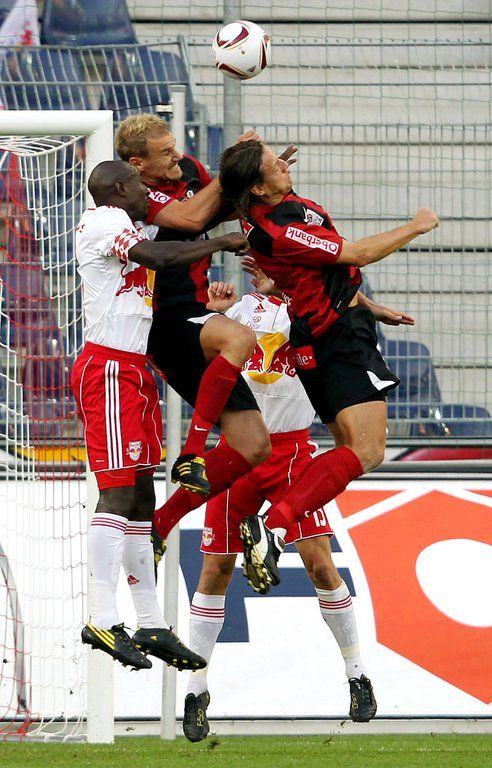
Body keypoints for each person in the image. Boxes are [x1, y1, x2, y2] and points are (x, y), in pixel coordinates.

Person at [180, 266, 415, 741]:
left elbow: (345, 293)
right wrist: (211, 314)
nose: (257, 269)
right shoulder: (236, 314)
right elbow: (187, 352)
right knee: (215, 569)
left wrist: (364, 306)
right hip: (237, 451)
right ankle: (196, 690)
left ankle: (356, 674)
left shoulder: (309, 315)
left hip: (291, 453)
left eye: (269, 261)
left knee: (320, 566)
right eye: (254, 260)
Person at [218, 139, 440, 593]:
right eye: (273, 164)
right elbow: (356, 254)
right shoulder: (280, 229)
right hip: (337, 339)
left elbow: (315, 275)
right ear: (257, 188)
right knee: (368, 451)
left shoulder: (260, 208)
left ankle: (275, 525)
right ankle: (274, 527)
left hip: (315, 335)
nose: (284, 164)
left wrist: (370, 306)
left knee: (346, 448)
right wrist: (416, 227)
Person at [71, 159, 249, 671]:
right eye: (139, 186)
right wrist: (220, 244)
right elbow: (157, 255)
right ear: (120, 188)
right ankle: (102, 617)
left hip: (134, 370)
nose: (147, 193)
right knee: (117, 492)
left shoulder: (129, 223)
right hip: (107, 367)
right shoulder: (105, 220)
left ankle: (149, 622)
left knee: (142, 498)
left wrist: (241, 182)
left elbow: (190, 221)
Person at [115, 114, 271, 499]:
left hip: (196, 312)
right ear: (138, 164)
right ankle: (190, 451)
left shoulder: (187, 169)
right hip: (162, 317)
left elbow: (221, 209)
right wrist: (230, 169)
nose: (177, 156)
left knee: (253, 445)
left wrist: (257, 178)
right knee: (240, 338)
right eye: (165, 152)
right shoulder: (133, 196)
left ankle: (160, 523)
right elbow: (192, 218)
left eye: (174, 146)